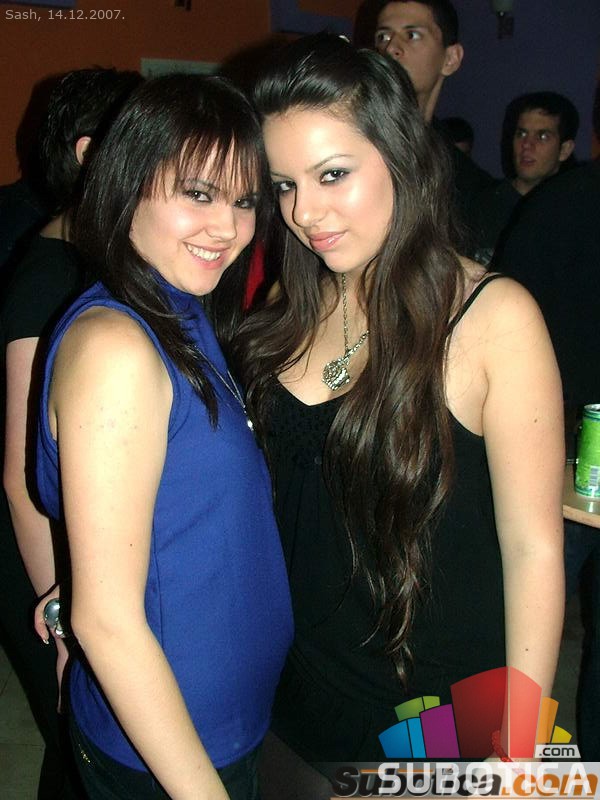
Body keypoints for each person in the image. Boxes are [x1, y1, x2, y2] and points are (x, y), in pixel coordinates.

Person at [231, 34, 564, 796]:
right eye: (283, 185)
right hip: (288, 699)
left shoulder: (492, 318)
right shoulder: (291, 303)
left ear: (401, 156)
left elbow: (534, 549)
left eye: (333, 174)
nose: (304, 212)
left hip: (433, 720)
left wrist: (518, 752)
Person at [33, 74, 293, 799]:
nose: (228, 228)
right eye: (198, 194)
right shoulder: (117, 346)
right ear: (126, 186)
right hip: (168, 754)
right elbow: (107, 621)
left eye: (245, 201)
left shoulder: (179, 308)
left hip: (217, 724)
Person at [1, 66, 141, 799]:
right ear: (93, 155)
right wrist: (63, 615)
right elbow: (21, 474)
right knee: (79, 745)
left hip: (68, 555)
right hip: (38, 557)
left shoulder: (85, 262)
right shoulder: (47, 281)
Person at [495, 145, 600, 760]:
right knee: (528, 605)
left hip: (554, 440)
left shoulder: (555, 204)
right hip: (553, 449)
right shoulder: (561, 206)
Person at [369, 0, 493, 242]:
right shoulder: (345, 140)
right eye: (383, 37)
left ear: (451, 59)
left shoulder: (465, 184)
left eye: (412, 35)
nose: (391, 48)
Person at [471, 91, 579, 265]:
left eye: (542, 136)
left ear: (564, 150)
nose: (527, 145)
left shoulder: (573, 216)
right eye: (521, 134)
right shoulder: (481, 206)